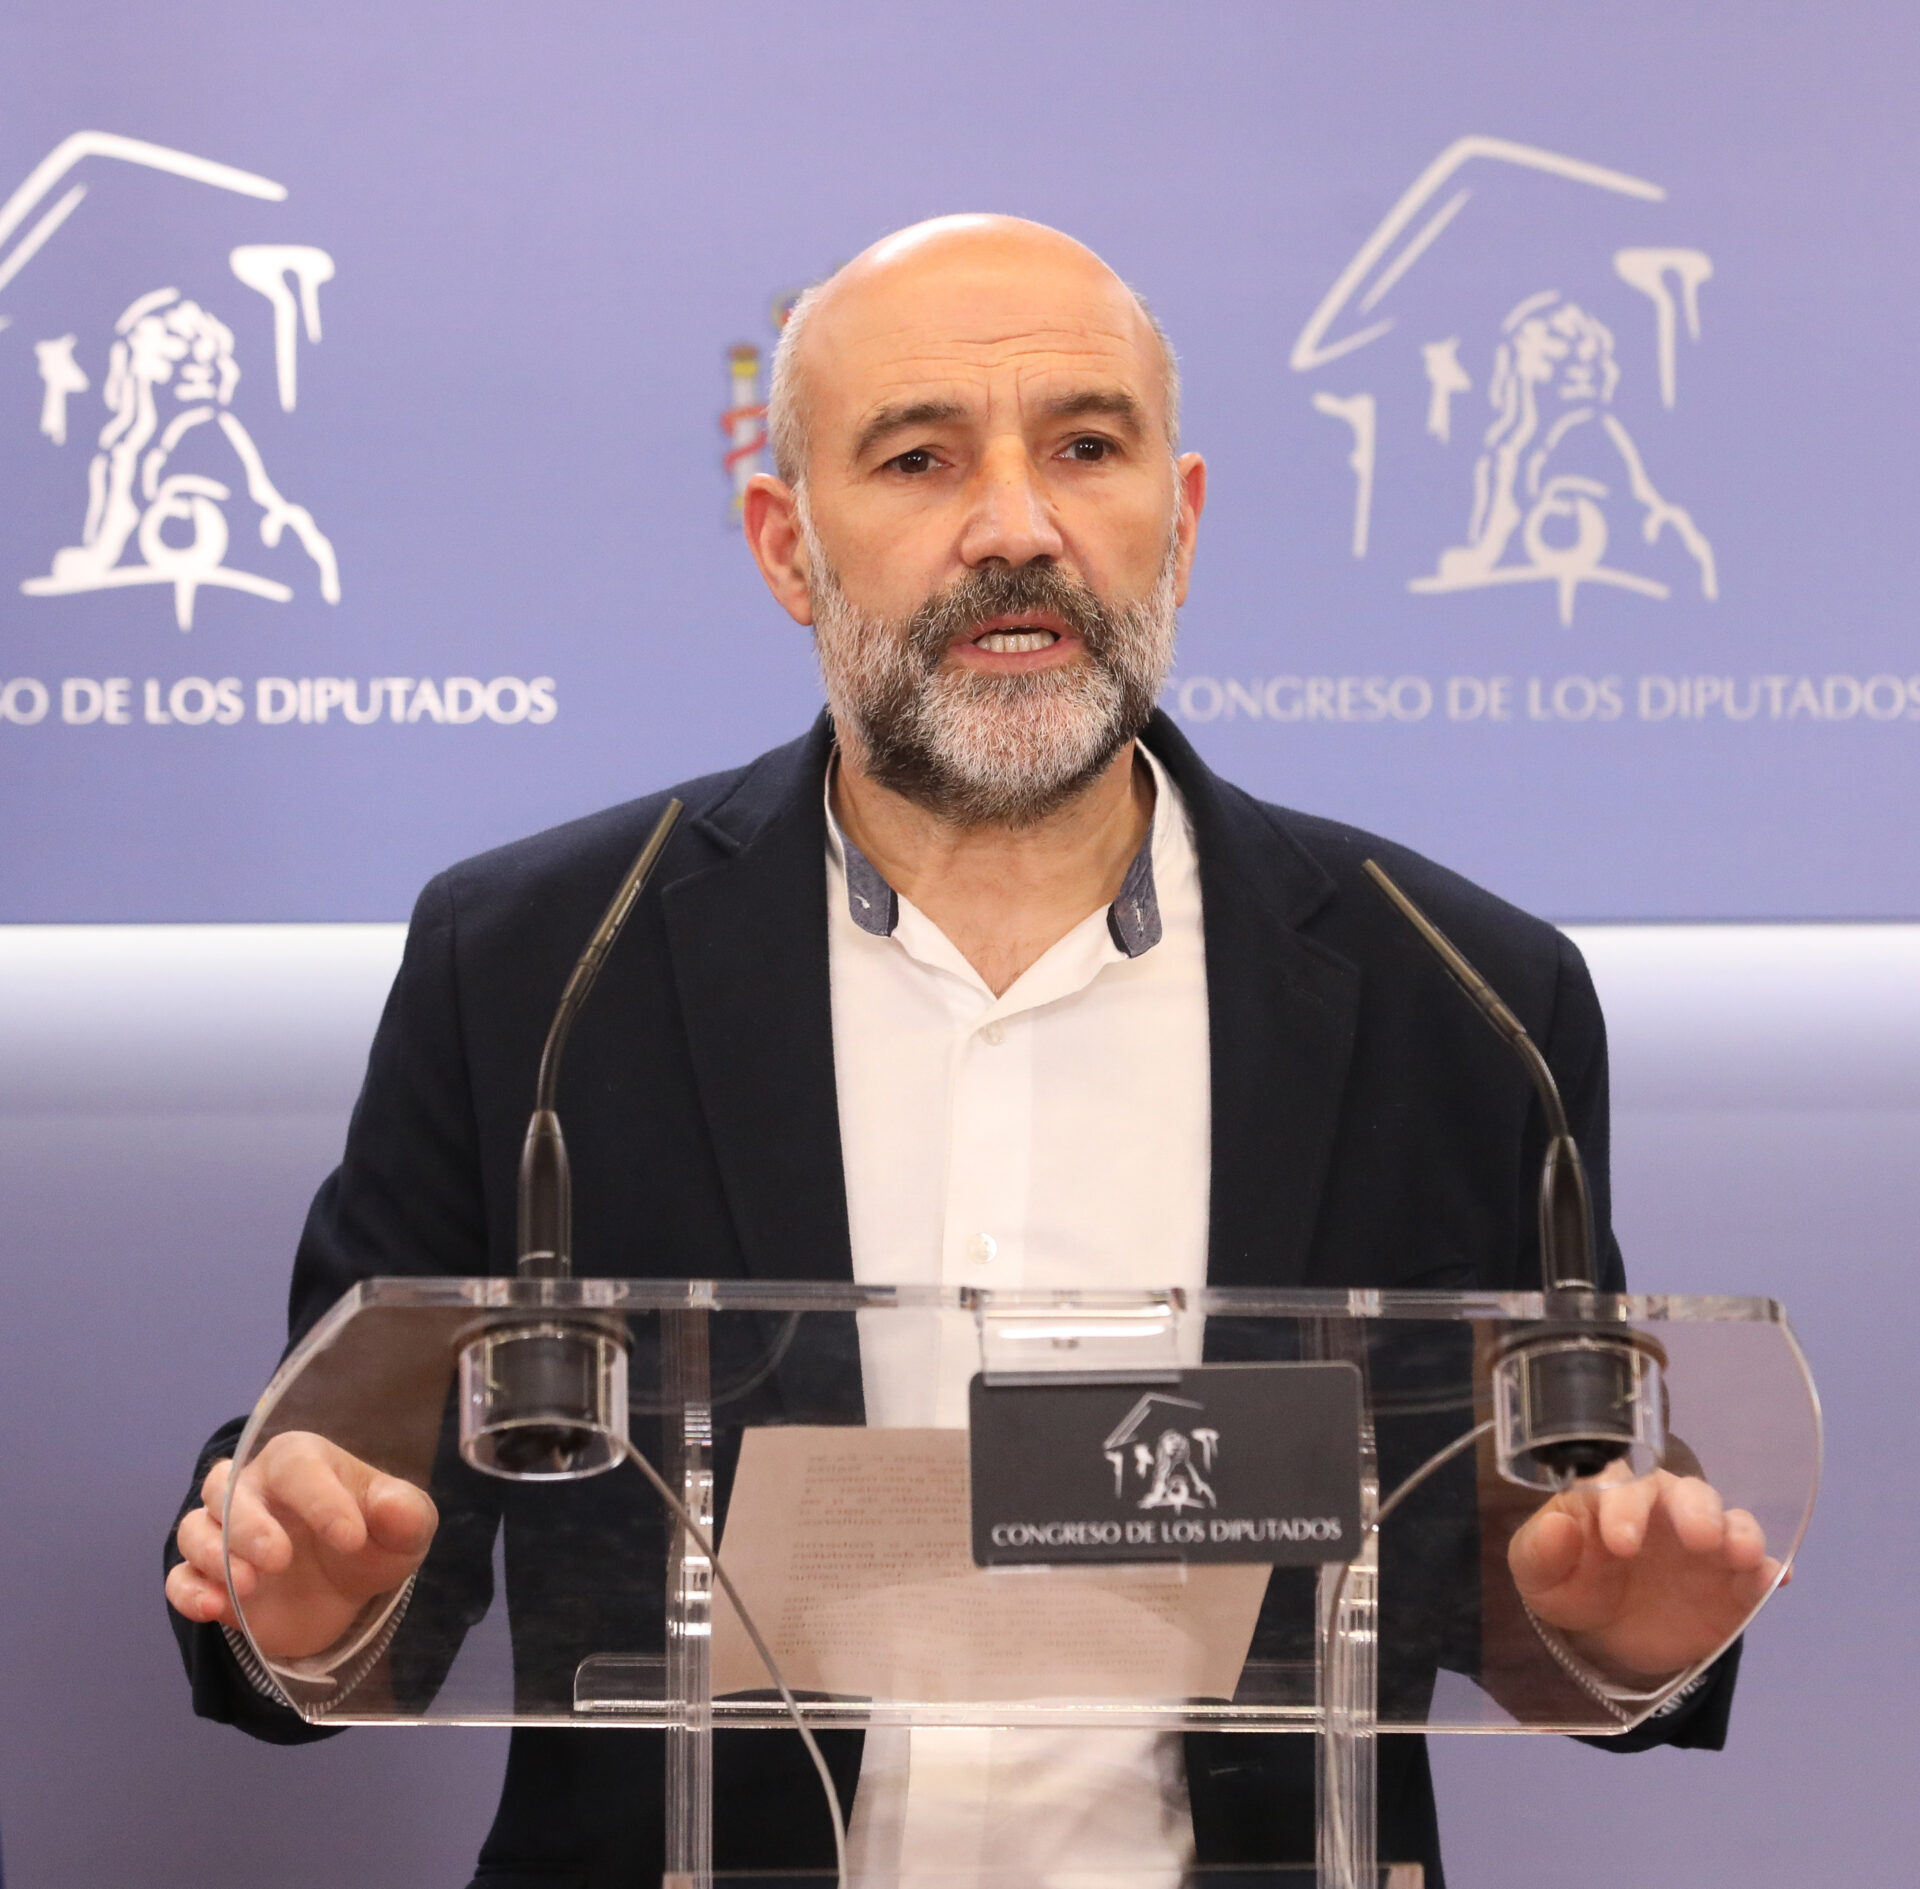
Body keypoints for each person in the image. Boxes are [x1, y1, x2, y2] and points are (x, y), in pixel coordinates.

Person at [166, 216, 1778, 1886]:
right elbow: (345, 1552)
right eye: (920, 459)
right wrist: (300, 1585)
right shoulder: (537, 969)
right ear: (788, 547)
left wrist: (1623, 1633)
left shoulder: (1460, 996)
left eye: (1085, 448)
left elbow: (1550, 1576)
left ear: (1181, 520)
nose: (1017, 526)